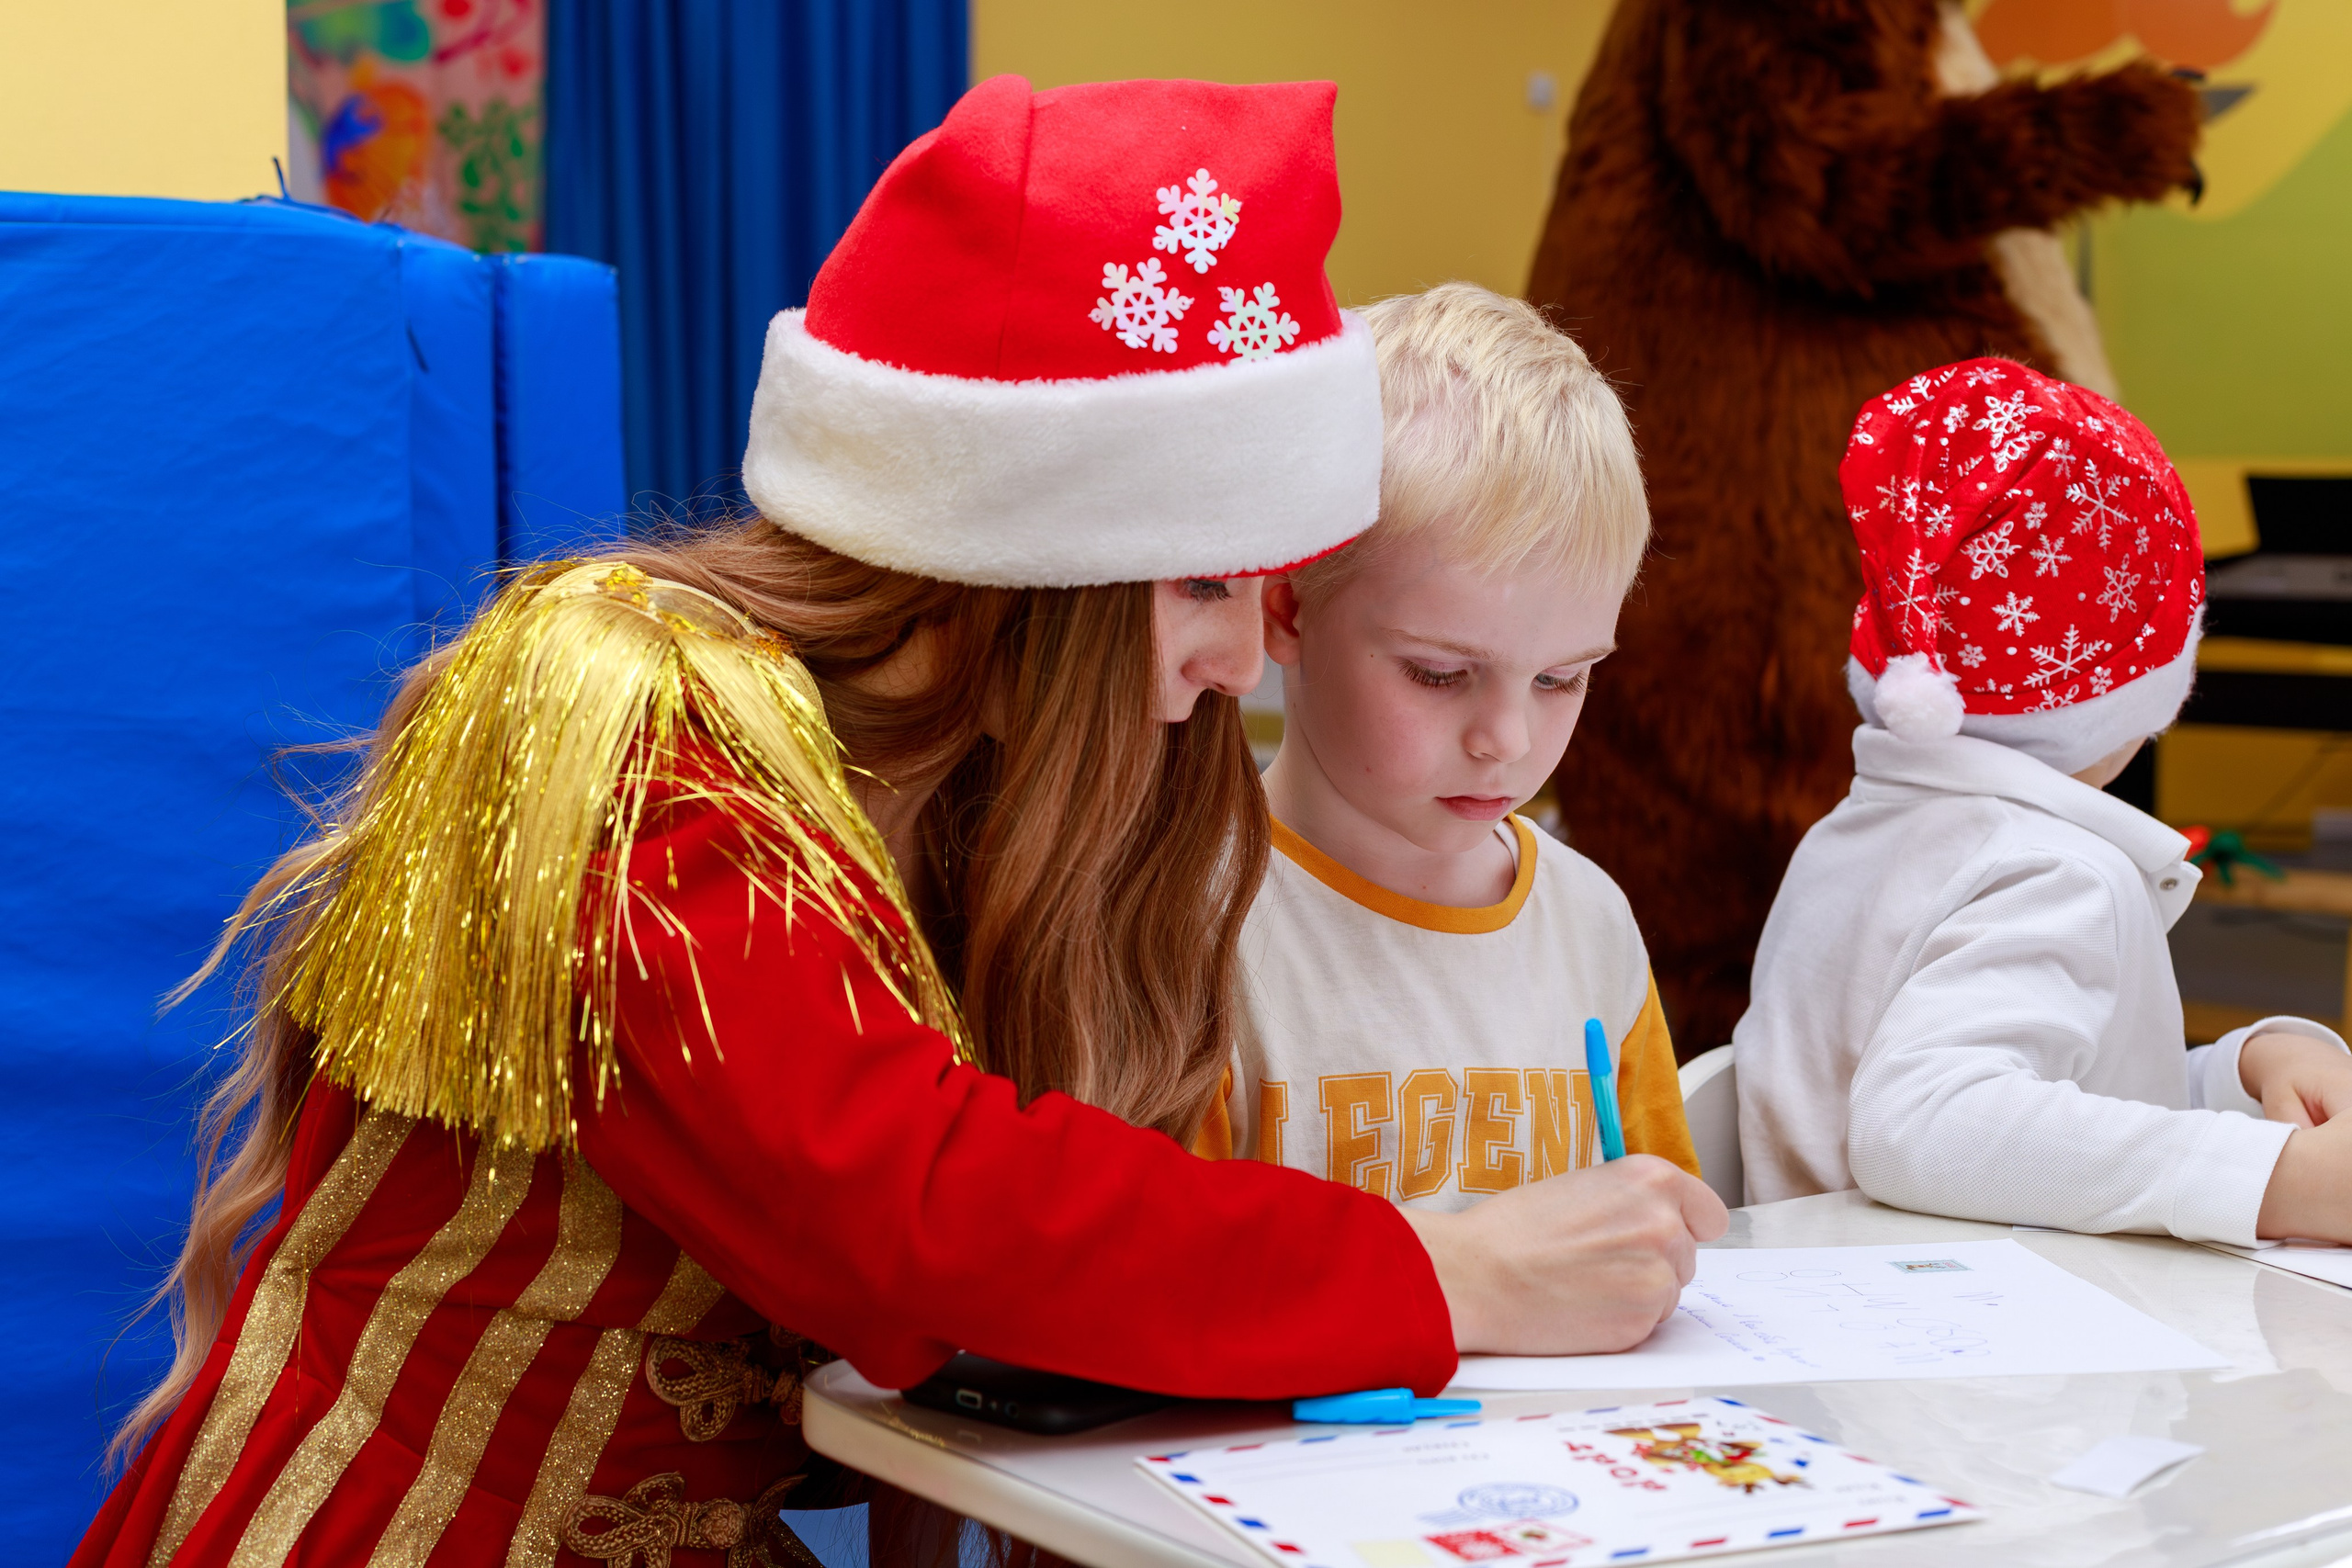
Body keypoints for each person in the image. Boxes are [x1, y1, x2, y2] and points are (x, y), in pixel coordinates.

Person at [74, 77, 1725, 1568]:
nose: (1239, 656)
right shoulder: (631, 714)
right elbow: (917, 1216)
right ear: (1032, 557)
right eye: (1212, 579)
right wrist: (1442, 1271)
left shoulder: (967, 783)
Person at [1736, 357, 2352, 1246]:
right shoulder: (2056, 873)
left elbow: (2060, 1114)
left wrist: (2246, 1067)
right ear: (2135, 692)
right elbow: (1927, 1125)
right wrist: (2277, 1183)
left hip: (1832, 1320)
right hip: (1969, 1351)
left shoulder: (1857, 832)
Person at [1218, 283, 1699, 1203]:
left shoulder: (1587, 923)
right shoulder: (1192, 926)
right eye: (1440, 675)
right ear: (1287, 607)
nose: (1507, 740)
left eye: (1561, 679)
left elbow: (1661, 1233)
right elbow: (1164, 1297)